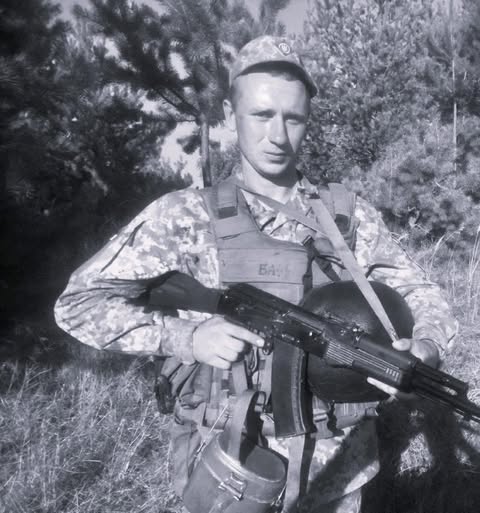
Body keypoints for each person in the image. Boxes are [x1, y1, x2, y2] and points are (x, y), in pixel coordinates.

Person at [54, 36, 458, 513]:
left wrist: (424, 348)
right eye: (261, 115)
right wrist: (186, 337)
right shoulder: (183, 217)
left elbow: (420, 291)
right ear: (230, 115)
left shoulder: (349, 218)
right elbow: (78, 304)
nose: (277, 135)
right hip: (228, 466)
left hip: (338, 469)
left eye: (293, 118)